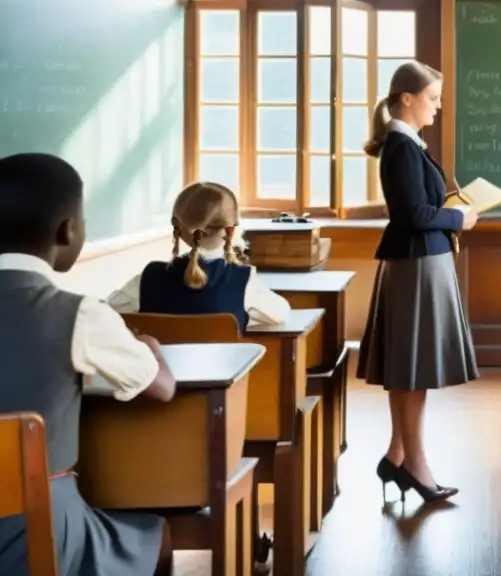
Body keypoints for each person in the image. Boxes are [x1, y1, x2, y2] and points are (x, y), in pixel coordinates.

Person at [0, 153, 177, 576]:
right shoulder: (78, 313)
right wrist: (150, 345)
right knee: (160, 537)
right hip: (38, 528)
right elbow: (161, 387)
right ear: (69, 230)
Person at [358, 60, 479, 504]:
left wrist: (450, 212)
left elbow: (419, 208)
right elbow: (411, 216)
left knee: (409, 372)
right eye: (432, 98)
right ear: (406, 99)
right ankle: (415, 465)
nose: (438, 107)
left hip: (422, 264)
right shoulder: (401, 147)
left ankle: (398, 455)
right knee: (411, 374)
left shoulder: (408, 143)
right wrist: (459, 217)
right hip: (416, 267)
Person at [107, 181, 290, 330]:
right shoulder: (243, 281)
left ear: (177, 226)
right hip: (222, 375)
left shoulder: (148, 278)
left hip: (163, 374)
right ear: (231, 228)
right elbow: (282, 314)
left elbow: (110, 310)